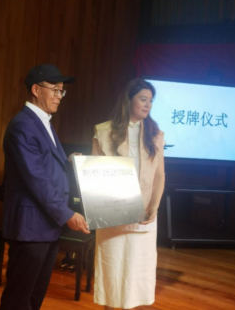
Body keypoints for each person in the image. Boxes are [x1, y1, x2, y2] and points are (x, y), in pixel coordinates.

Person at [0, 64, 90, 310]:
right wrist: (67, 214)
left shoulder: (43, 122)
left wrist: (67, 161)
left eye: (62, 91)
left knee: (34, 296)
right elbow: (36, 178)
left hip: (46, 225)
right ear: (36, 89)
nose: (59, 96)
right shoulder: (23, 125)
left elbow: (43, 165)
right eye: (55, 90)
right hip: (30, 228)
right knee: (18, 299)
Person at [92, 78, 166, 310]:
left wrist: (154, 207)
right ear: (128, 100)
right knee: (112, 275)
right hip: (111, 215)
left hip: (144, 214)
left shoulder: (156, 134)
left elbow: (160, 175)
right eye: (143, 99)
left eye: (151, 100)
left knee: (137, 277)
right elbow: (94, 174)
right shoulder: (103, 131)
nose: (148, 105)